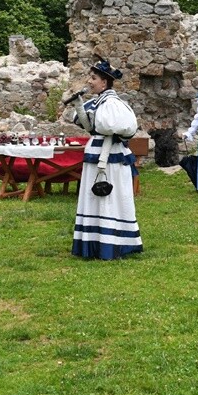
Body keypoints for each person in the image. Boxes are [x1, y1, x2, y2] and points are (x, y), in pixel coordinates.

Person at [68, 58, 142, 259]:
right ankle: (95, 241)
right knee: (96, 196)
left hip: (111, 154)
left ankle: (112, 242)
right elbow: (90, 126)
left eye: (94, 78)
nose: (90, 81)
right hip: (97, 151)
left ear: (105, 82)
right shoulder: (99, 102)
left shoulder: (112, 104)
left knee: (111, 196)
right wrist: (79, 105)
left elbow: (112, 126)